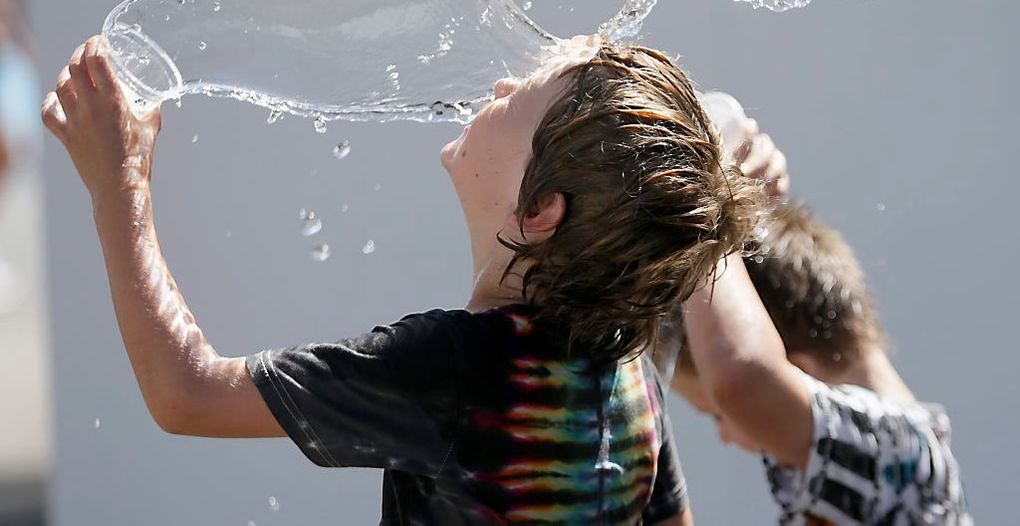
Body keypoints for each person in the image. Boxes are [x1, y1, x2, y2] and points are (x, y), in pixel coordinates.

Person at [42, 34, 762, 524]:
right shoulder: (627, 368)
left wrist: (119, 184)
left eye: (522, 98)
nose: (502, 85)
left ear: (540, 209)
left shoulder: (453, 370)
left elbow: (187, 393)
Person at [670, 130, 971, 524]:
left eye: (718, 416)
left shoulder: (905, 455)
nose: (726, 438)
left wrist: (707, 210)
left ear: (798, 375)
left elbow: (740, 376)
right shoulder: (899, 468)